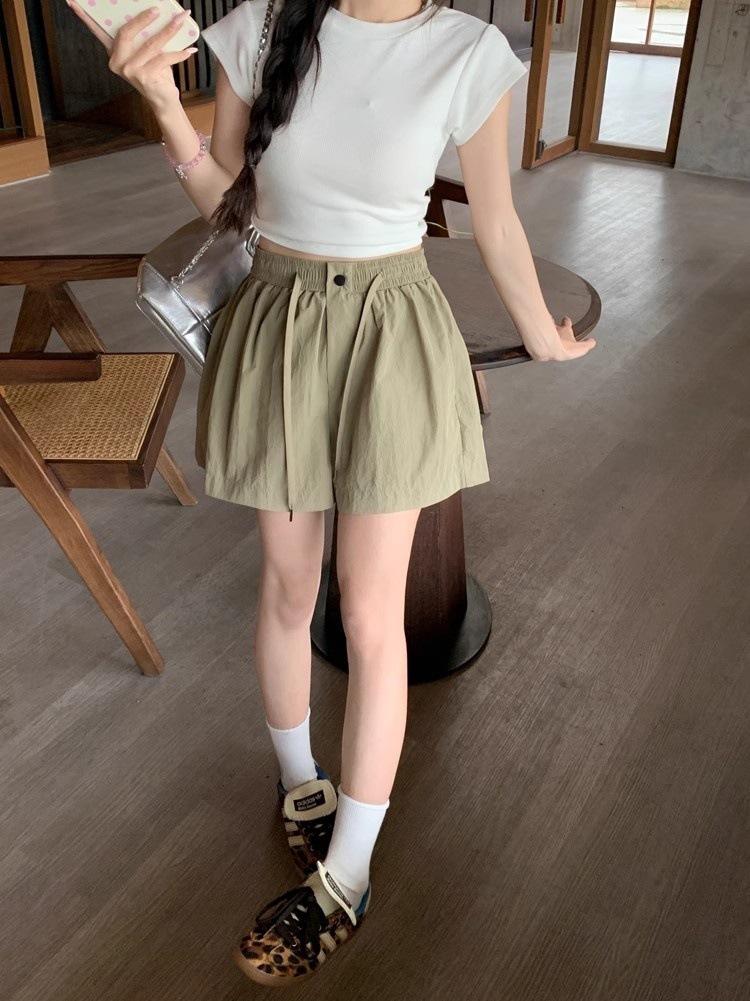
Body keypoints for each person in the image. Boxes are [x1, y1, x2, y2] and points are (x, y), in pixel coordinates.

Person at [68, 0, 597, 985]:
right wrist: (163, 106)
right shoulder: (260, 28)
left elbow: (495, 216)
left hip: (393, 330)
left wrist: (540, 332)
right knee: (285, 585)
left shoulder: (469, 52)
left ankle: (347, 874)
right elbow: (231, 201)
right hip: (277, 321)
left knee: (367, 610)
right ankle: (300, 781)